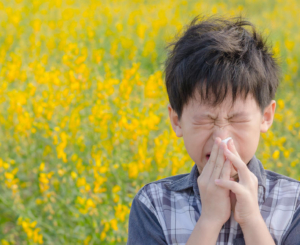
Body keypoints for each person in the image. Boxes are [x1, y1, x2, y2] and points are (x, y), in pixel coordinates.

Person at [127, 15, 300, 245]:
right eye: (204, 120)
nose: (222, 139)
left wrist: (251, 220)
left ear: (266, 117)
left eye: (237, 119)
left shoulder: (294, 203)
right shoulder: (154, 204)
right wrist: (209, 220)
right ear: (177, 121)